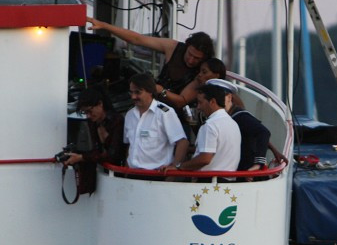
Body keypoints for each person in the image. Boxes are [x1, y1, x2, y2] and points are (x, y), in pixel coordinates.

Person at [86, 17, 214, 108]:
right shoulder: (173, 46)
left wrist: (160, 90)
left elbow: (181, 101)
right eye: (189, 54)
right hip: (153, 105)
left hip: (177, 114)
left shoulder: (202, 72)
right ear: (187, 46)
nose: (191, 60)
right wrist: (104, 25)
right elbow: (137, 39)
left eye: (196, 58)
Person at [165, 80, 241, 172]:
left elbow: (205, 159)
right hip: (227, 183)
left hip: (208, 183)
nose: (198, 107)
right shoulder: (233, 123)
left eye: (200, 102)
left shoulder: (210, 125)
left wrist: (178, 167)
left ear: (212, 102)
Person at [123, 73, 188, 171]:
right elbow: (130, 145)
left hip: (157, 176)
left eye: (138, 92)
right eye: (131, 93)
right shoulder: (129, 115)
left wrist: (174, 169)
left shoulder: (165, 112)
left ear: (150, 91)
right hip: (132, 176)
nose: (133, 97)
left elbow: (182, 142)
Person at [65, 88, 125, 167]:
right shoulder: (92, 122)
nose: (88, 115)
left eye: (90, 111)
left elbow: (113, 155)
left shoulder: (117, 121)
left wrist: (82, 157)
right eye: (85, 112)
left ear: (100, 103)